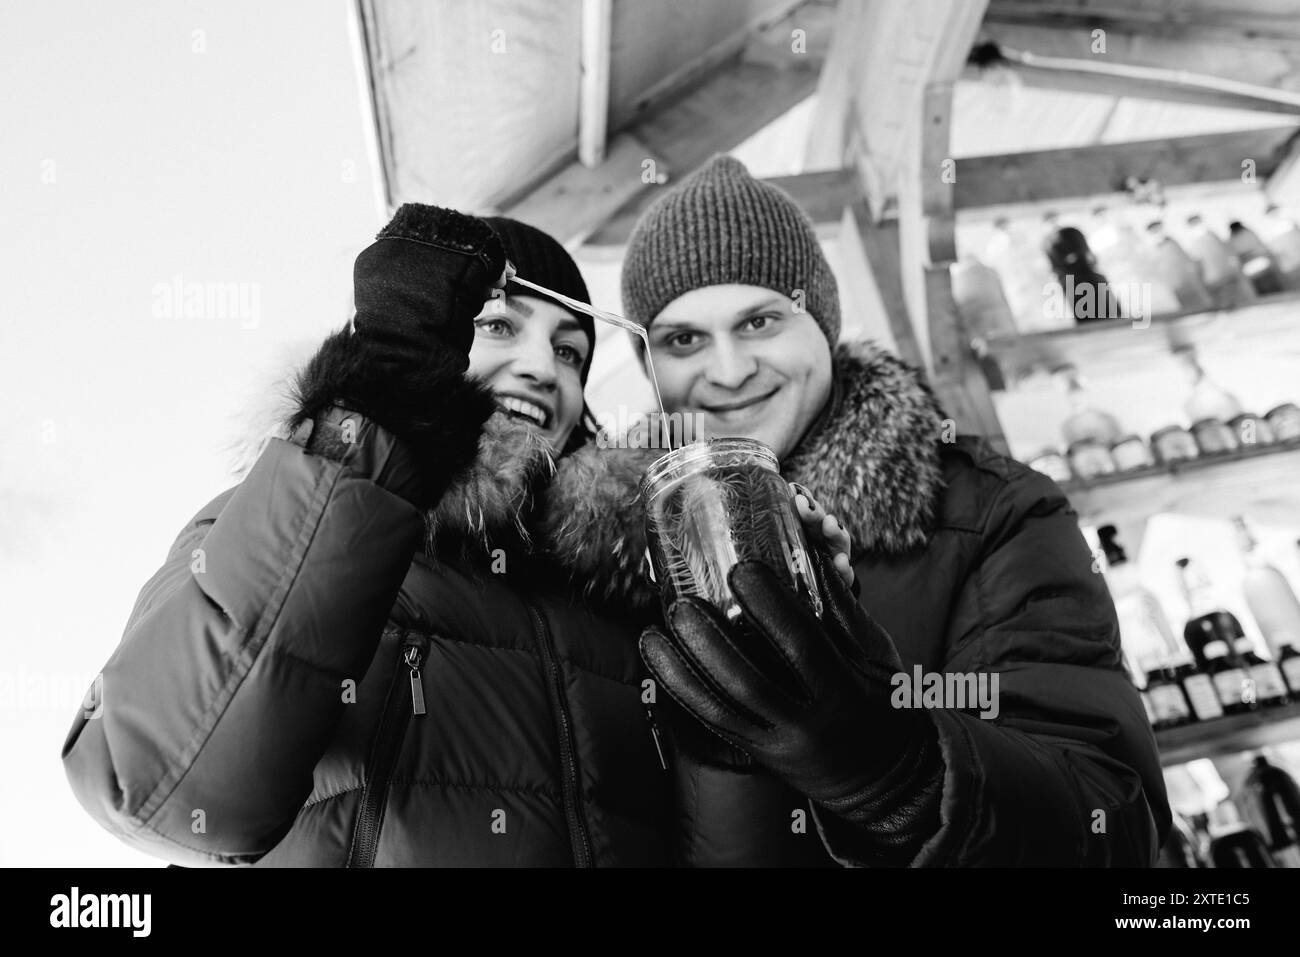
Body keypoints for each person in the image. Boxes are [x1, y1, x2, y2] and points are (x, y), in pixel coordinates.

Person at [62, 206, 847, 866]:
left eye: (571, 351)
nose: (544, 366)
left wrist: (758, 691)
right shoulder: (286, 515)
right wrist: (379, 413)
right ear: (430, 335)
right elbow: (164, 785)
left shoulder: (627, 600)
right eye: (499, 325)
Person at [617, 154, 1173, 867]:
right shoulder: (613, 555)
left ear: (821, 322)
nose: (727, 370)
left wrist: (901, 777)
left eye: (760, 321)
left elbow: (1110, 820)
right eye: (683, 339)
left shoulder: (994, 512)